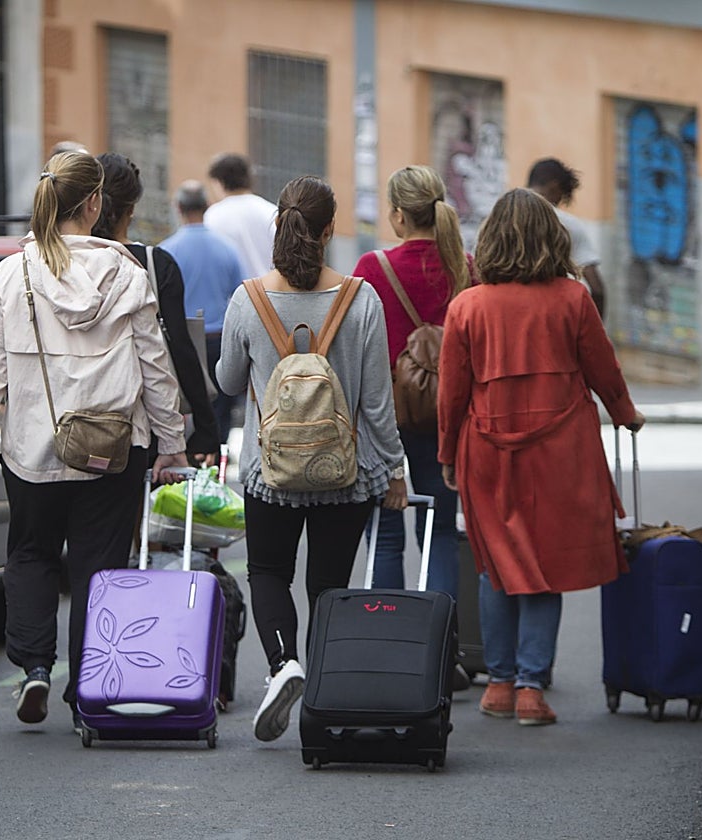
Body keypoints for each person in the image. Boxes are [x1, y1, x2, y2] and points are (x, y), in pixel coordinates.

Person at [0, 151, 188, 730]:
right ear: (94, 204)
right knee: (97, 567)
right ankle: (89, 689)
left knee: (30, 554)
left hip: (33, 446)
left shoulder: (13, 274)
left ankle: (35, 668)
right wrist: (172, 442)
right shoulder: (128, 274)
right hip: (114, 448)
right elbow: (155, 368)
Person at [438, 187, 645, 727]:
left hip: (486, 448)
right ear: (554, 237)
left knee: (497, 566)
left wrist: (445, 453)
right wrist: (625, 413)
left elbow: (452, 392)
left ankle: (499, 686)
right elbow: (603, 368)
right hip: (561, 448)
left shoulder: (467, 306)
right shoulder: (573, 298)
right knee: (544, 565)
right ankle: (532, 688)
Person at [216, 175, 408, 743]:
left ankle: (283, 664)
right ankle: (321, 695)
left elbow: (227, 381)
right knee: (328, 584)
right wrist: (393, 469)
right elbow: (377, 402)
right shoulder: (361, 298)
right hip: (342, 475)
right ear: (329, 232)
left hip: (268, 472)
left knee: (269, 572)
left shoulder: (248, 299)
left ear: (279, 226)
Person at [352, 165, 472, 600]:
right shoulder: (464, 266)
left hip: (386, 417)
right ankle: (441, 643)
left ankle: (388, 642)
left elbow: (356, 345)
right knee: (439, 533)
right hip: (447, 417)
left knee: (384, 533)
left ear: (399, 215)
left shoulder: (372, 267)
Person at [91, 153, 221, 463]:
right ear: (132, 209)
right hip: (136, 421)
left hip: (64, 419)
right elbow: (178, 347)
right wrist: (205, 426)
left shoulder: (59, 262)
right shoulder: (154, 264)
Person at [160, 180, 246, 443]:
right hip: (219, 341)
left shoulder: (167, 251)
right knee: (220, 411)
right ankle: (215, 461)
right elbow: (239, 294)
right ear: (207, 206)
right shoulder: (227, 249)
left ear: (178, 207)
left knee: (185, 407)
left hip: (182, 343)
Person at [527, 158, 606, 318]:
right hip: (552, 319)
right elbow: (596, 288)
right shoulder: (566, 224)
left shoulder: (496, 218)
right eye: (561, 197)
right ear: (555, 187)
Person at [204, 153, 278, 277]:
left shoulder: (212, 216)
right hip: (271, 291)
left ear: (219, 182)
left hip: (233, 294)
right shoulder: (270, 211)